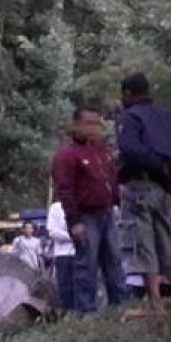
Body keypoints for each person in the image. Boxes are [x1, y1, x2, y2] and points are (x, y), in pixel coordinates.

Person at [117, 73, 171, 314]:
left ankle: (155, 304)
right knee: (167, 241)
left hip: (140, 184)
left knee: (143, 242)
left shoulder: (132, 116)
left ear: (128, 94)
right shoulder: (167, 116)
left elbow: (129, 150)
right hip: (163, 188)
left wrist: (155, 164)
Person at [51, 105, 124, 312]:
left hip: (107, 212)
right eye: (88, 123)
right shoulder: (67, 155)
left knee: (114, 261)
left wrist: (117, 202)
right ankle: (86, 310)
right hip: (85, 215)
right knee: (87, 264)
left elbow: (111, 178)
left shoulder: (101, 150)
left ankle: (119, 305)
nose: (94, 128)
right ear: (75, 125)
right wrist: (74, 221)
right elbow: (65, 190)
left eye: (97, 123)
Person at [46, 199, 76, 310]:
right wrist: (73, 237)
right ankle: (68, 311)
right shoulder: (56, 208)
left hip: (81, 253)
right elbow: (52, 232)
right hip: (63, 254)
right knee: (65, 286)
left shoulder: (81, 204)